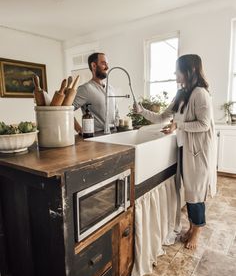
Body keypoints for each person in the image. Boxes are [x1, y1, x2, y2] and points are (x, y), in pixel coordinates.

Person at [135, 54, 217, 249]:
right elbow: (163, 117)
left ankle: (196, 231)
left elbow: (204, 125)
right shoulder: (181, 95)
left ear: (190, 70)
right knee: (189, 192)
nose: (174, 73)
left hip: (199, 152)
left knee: (196, 193)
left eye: (177, 70)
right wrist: (141, 111)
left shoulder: (200, 93)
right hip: (184, 150)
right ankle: (191, 227)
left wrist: (177, 125)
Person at [73, 52, 119, 133]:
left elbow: (116, 112)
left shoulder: (111, 88)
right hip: (96, 137)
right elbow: (66, 111)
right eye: (103, 64)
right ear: (94, 66)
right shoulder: (85, 89)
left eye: (107, 64)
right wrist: (79, 129)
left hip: (114, 134)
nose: (107, 67)